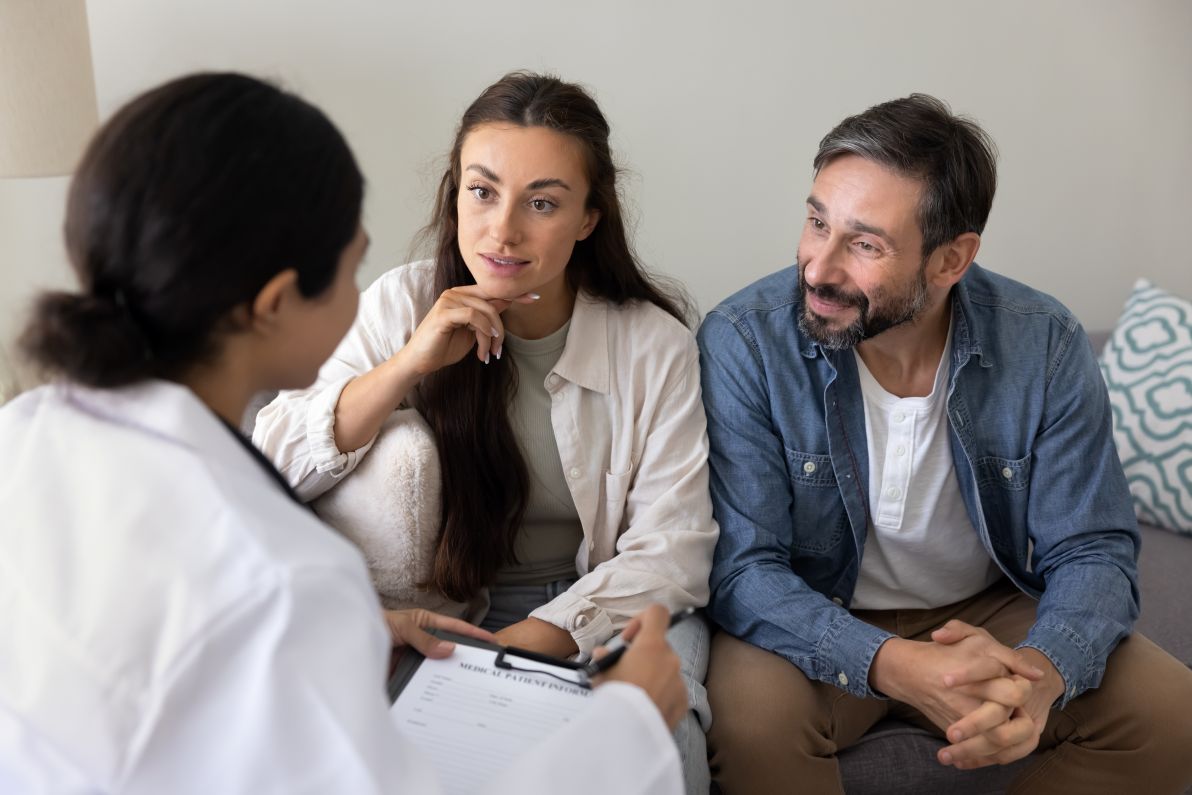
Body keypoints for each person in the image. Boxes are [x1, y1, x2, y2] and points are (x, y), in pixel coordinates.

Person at [0, 71, 688, 794]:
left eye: (541, 200)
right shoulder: (286, 579)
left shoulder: (20, 437)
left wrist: (364, 626)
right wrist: (631, 723)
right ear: (274, 303)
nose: (501, 227)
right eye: (350, 263)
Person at [697, 93, 1192, 793]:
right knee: (749, 721)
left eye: (864, 243)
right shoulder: (745, 340)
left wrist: (1044, 673)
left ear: (950, 260)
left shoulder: (1043, 343)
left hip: (985, 612)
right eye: (816, 222)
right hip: (819, 608)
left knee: (1171, 712)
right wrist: (893, 662)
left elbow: (1093, 547)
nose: (817, 266)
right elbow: (744, 570)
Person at [253, 71, 718, 792]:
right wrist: (408, 365)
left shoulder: (653, 345)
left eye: (543, 202)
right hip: (445, 611)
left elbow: (673, 551)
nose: (503, 229)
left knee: (663, 732)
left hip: (610, 602)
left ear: (589, 218)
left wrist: (508, 656)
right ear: (455, 193)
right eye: (482, 191)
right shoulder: (399, 303)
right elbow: (268, 471)